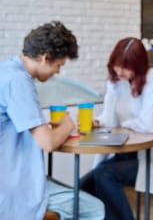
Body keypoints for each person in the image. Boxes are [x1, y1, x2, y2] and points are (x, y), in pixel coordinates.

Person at [0, 21, 105, 220]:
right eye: (58, 66)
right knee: (93, 209)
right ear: (45, 57)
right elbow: (47, 143)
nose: (58, 72)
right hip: (10, 188)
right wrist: (68, 124)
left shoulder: (6, 70)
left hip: (7, 175)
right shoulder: (19, 81)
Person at [79, 37, 153, 220]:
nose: (120, 71)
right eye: (117, 65)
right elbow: (110, 116)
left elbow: (149, 124)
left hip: (147, 154)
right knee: (82, 187)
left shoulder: (152, 79)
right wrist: (97, 122)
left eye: (126, 67)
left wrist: (122, 126)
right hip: (122, 152)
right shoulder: (116, 81)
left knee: (104, 175)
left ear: (139, 67)